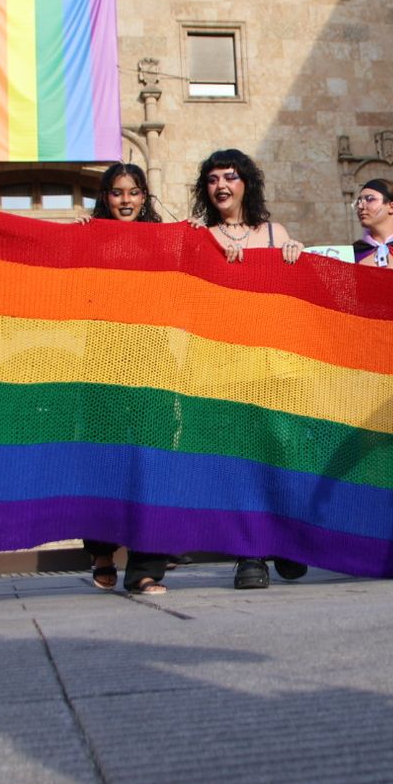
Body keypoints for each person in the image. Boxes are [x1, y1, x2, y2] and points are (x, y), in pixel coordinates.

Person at [189, 149, 306, 588]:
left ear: (246, 185)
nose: (221, 185)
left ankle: (286, 540)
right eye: (213, 179)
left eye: (231, 178)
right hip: (224, 367)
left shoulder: (275, 233)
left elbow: (293, 295)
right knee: (239, 460)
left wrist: (295, 254)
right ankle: (249, 556)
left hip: (274, 364)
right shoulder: (199, 238)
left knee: (279, 455)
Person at [80, 162, 172, 595]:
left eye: (134, 192)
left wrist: (192, 234)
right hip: (102, 360)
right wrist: (78, 235)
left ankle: (146, 568)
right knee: (105, 458)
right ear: (105, 197)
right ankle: (101, 551)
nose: (125, 201)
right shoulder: (90, 237)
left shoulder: (163, 241)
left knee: (152, 459)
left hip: (152, 360)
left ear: (144, 196)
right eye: (117, 193)